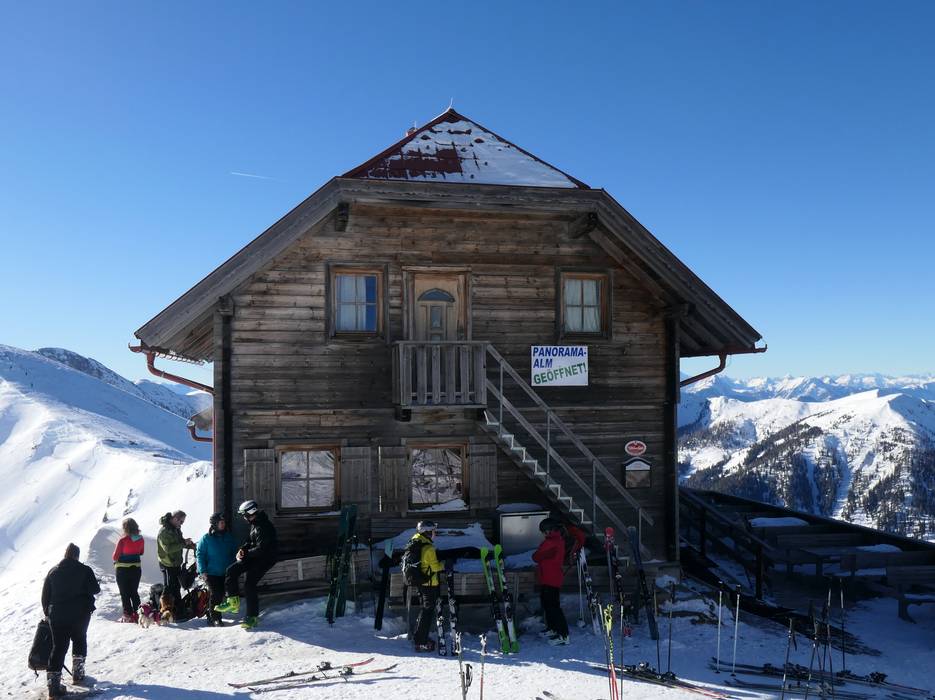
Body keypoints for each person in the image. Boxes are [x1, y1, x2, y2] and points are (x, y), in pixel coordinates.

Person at [41, 543, 100, 697]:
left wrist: (48, 613)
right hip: (80, 614)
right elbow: (95, 589)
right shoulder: (85, 570)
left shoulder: (53, 571)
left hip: (57, 615)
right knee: (79, 639)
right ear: (77, 556)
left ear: (65, 554)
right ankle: (78, 673)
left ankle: (53, 686)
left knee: (58, 647)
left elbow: (45, 596)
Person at [214, 499, 278, 629]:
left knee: (249, 585)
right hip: (255, 556)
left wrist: (246, 553)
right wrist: (243, 549)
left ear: (250, 513)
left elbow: (262, 549)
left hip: (265, 559)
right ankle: (233, 602)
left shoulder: (264, 526)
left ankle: (252, 617)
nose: (244, 517)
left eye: (244, 515)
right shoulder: (255, 524)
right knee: (231, 570)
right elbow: (250, 541)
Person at [196, 512, 239, 626]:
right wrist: (202, 570)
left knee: (222, 595)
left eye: (224, 522)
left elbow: (235, 552)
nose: (223, 524)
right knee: (216, 594)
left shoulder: (229, 537)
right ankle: (215, 618)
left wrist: (236, 566)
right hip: (211, 573)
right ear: (214, 524)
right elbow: (200, 554)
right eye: (221, 522)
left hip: (226, 572)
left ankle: (211, 613)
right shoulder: (206, 538)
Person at [409, 520, 445, 652]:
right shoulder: (428, 548)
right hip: (429, 584)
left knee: (424, 610)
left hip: (421, 582)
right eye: (433, 531)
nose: (435, 533)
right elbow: (435, 567)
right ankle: (421, 642)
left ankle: (419, 637)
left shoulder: (416, 542)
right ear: (427, 532)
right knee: (427, 612)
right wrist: (444, 564)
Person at [533, 518, 569, 645]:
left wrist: (538, 555)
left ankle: (564, 635)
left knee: (553, 607)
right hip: (548, 577)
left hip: (551, 579)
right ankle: (553, 628)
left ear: (549, 530)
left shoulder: (552, 542)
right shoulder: (553, 540)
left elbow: (536, 556)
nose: (543, 534)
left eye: (543, 531)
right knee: (547, 605)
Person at [157, 510, 195, 609]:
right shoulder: (164, 532)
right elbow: (168, 549)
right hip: (167, 563)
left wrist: (189, 544)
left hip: (176, 562)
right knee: (169, 587)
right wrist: (184, 543)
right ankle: (164, 609)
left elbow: (179, 542)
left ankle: (177, 608)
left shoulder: (176, 529)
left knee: (176, 586)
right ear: (175, 519)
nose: (181, 524)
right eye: (181, 521)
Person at [112, 517, 144, 622]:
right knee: (134, 592)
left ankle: (128, 615)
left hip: (122, 570)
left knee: (124, 593)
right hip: (136, 569)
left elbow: (115, 557)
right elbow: (141, 552)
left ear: (125, 528)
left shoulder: (122, 540)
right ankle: (139, 614)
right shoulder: (140, 539)